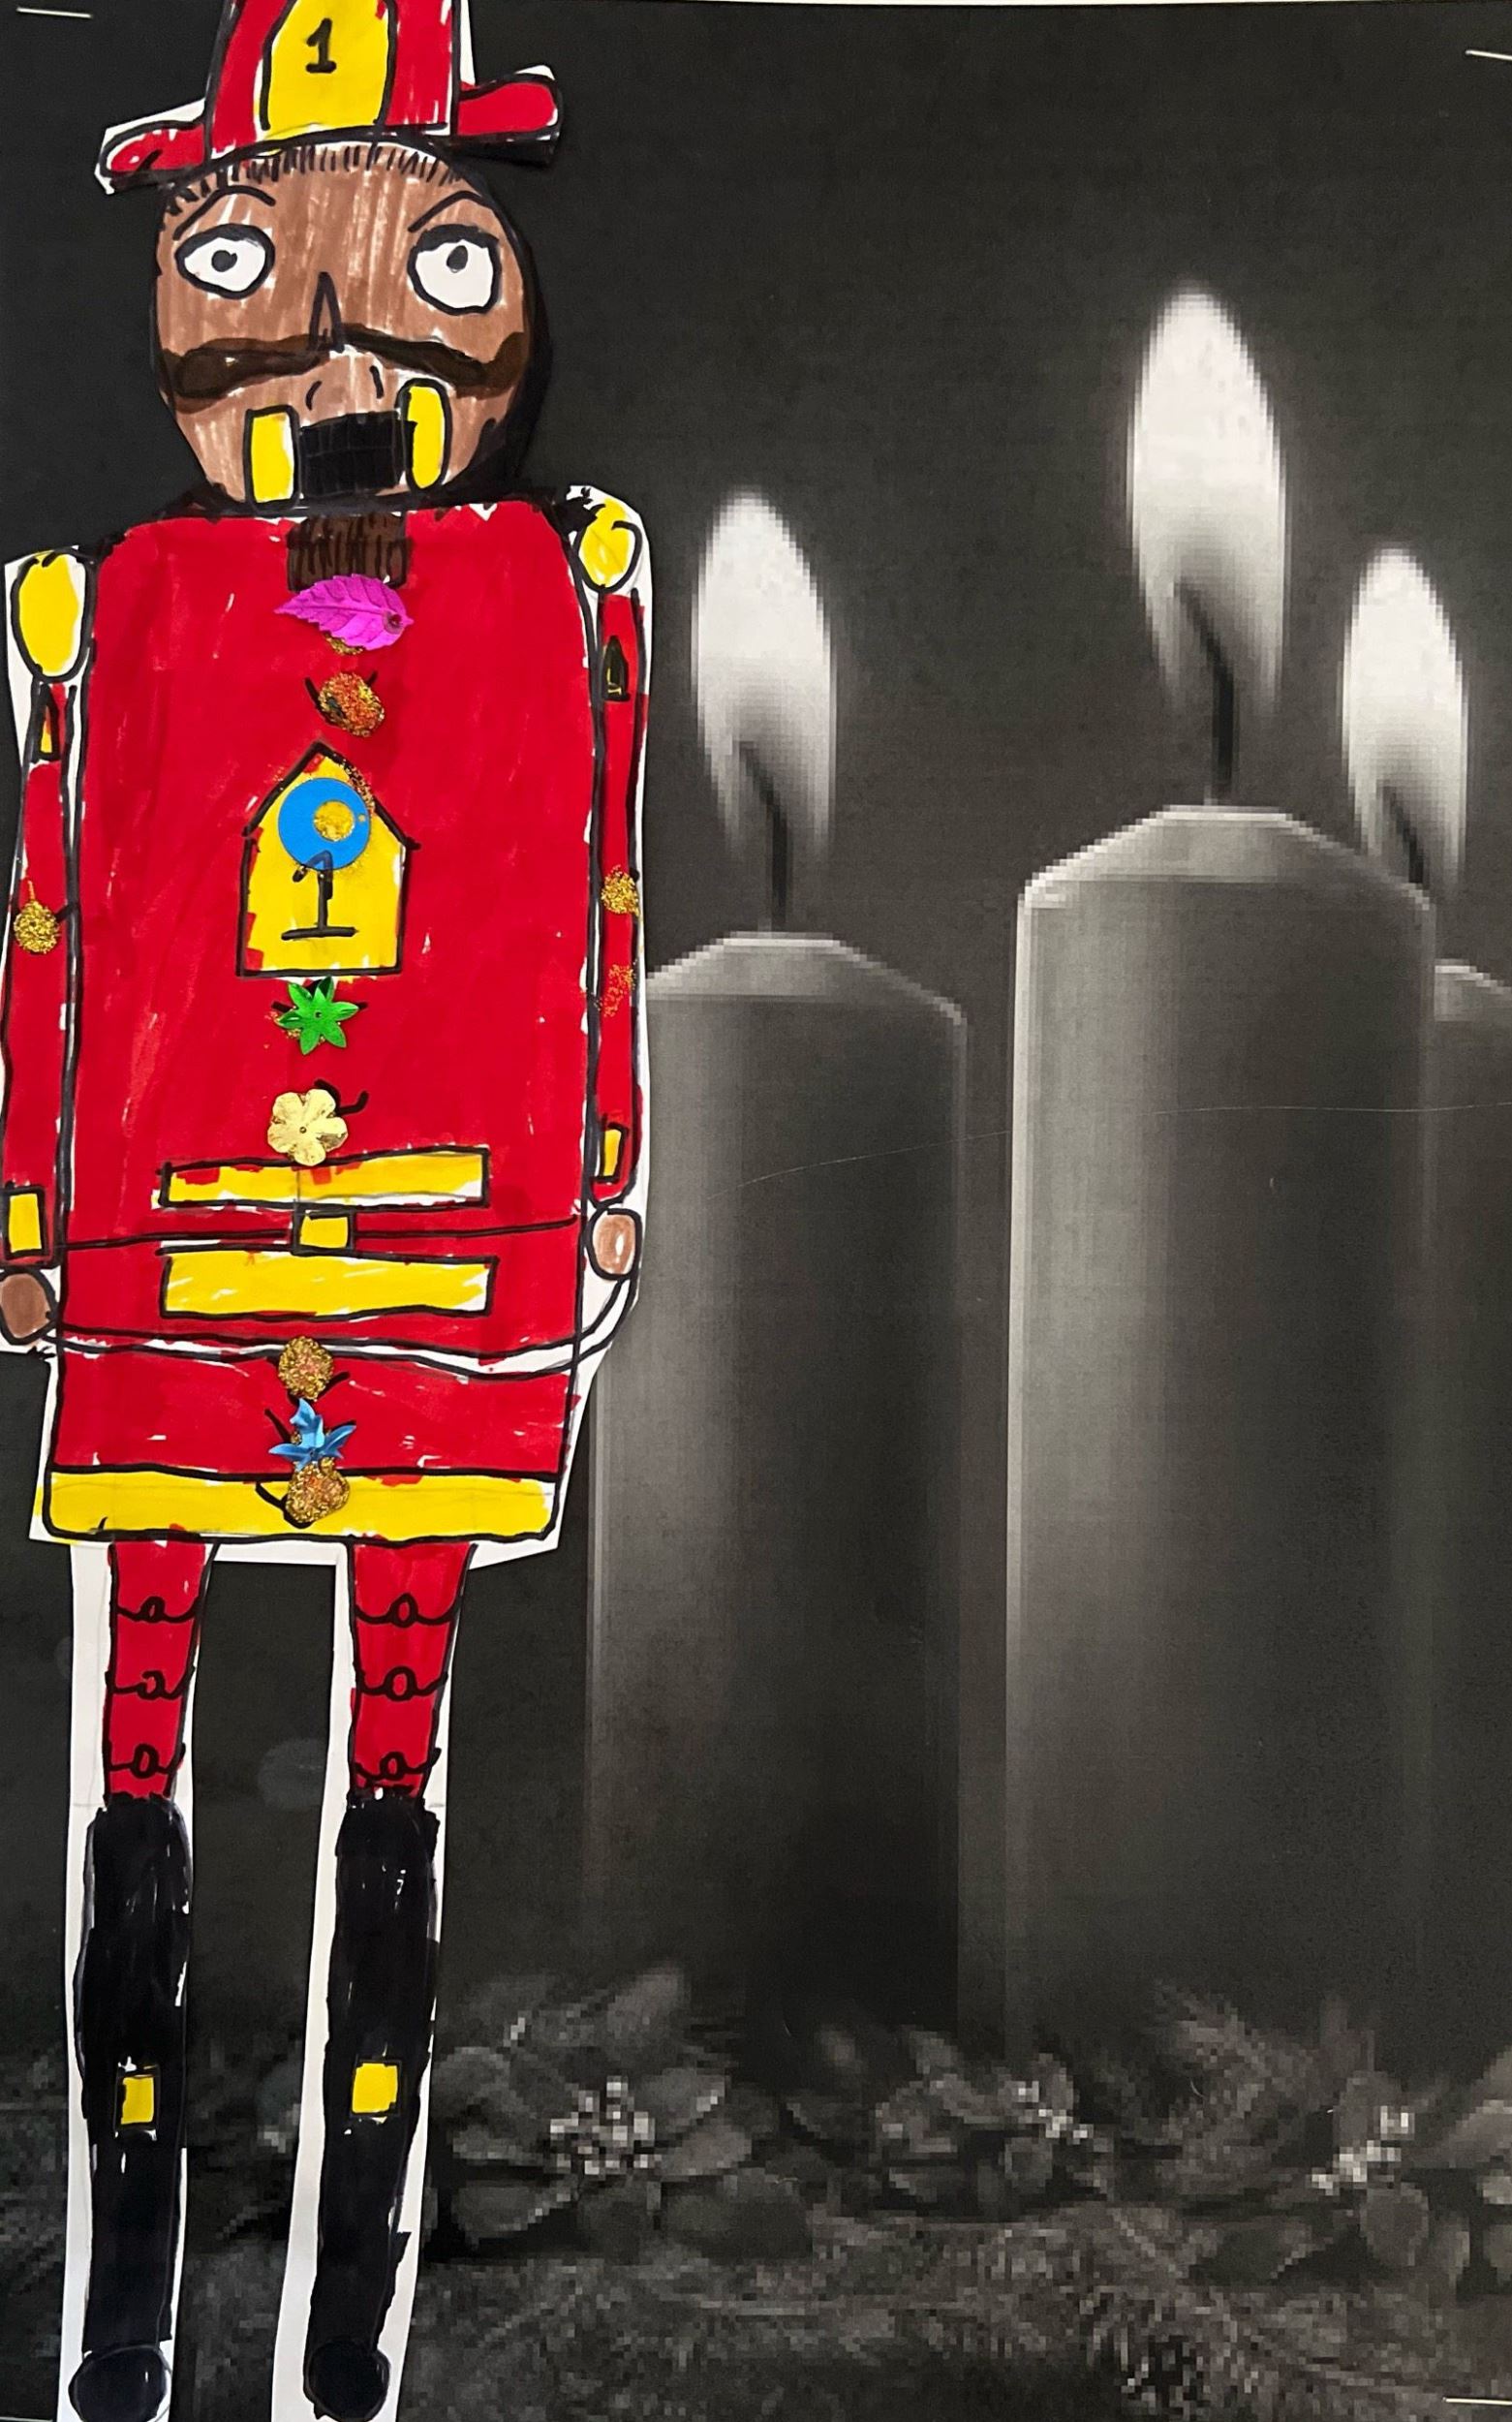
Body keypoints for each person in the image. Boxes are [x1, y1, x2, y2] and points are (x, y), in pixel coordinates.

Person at [0, 6, 649, 2415]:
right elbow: (55, 917)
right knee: (135, 1771)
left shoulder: (560, 594)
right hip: (167, 1245)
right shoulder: (116, 611)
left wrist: (595, 1170)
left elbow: (589, 898)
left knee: (395, 1783)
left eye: (432, 259)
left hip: (441, 1243)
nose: (342, 340)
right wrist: (33, 1206)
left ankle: (344, 2346)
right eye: (252, 257)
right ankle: (118, 2333)